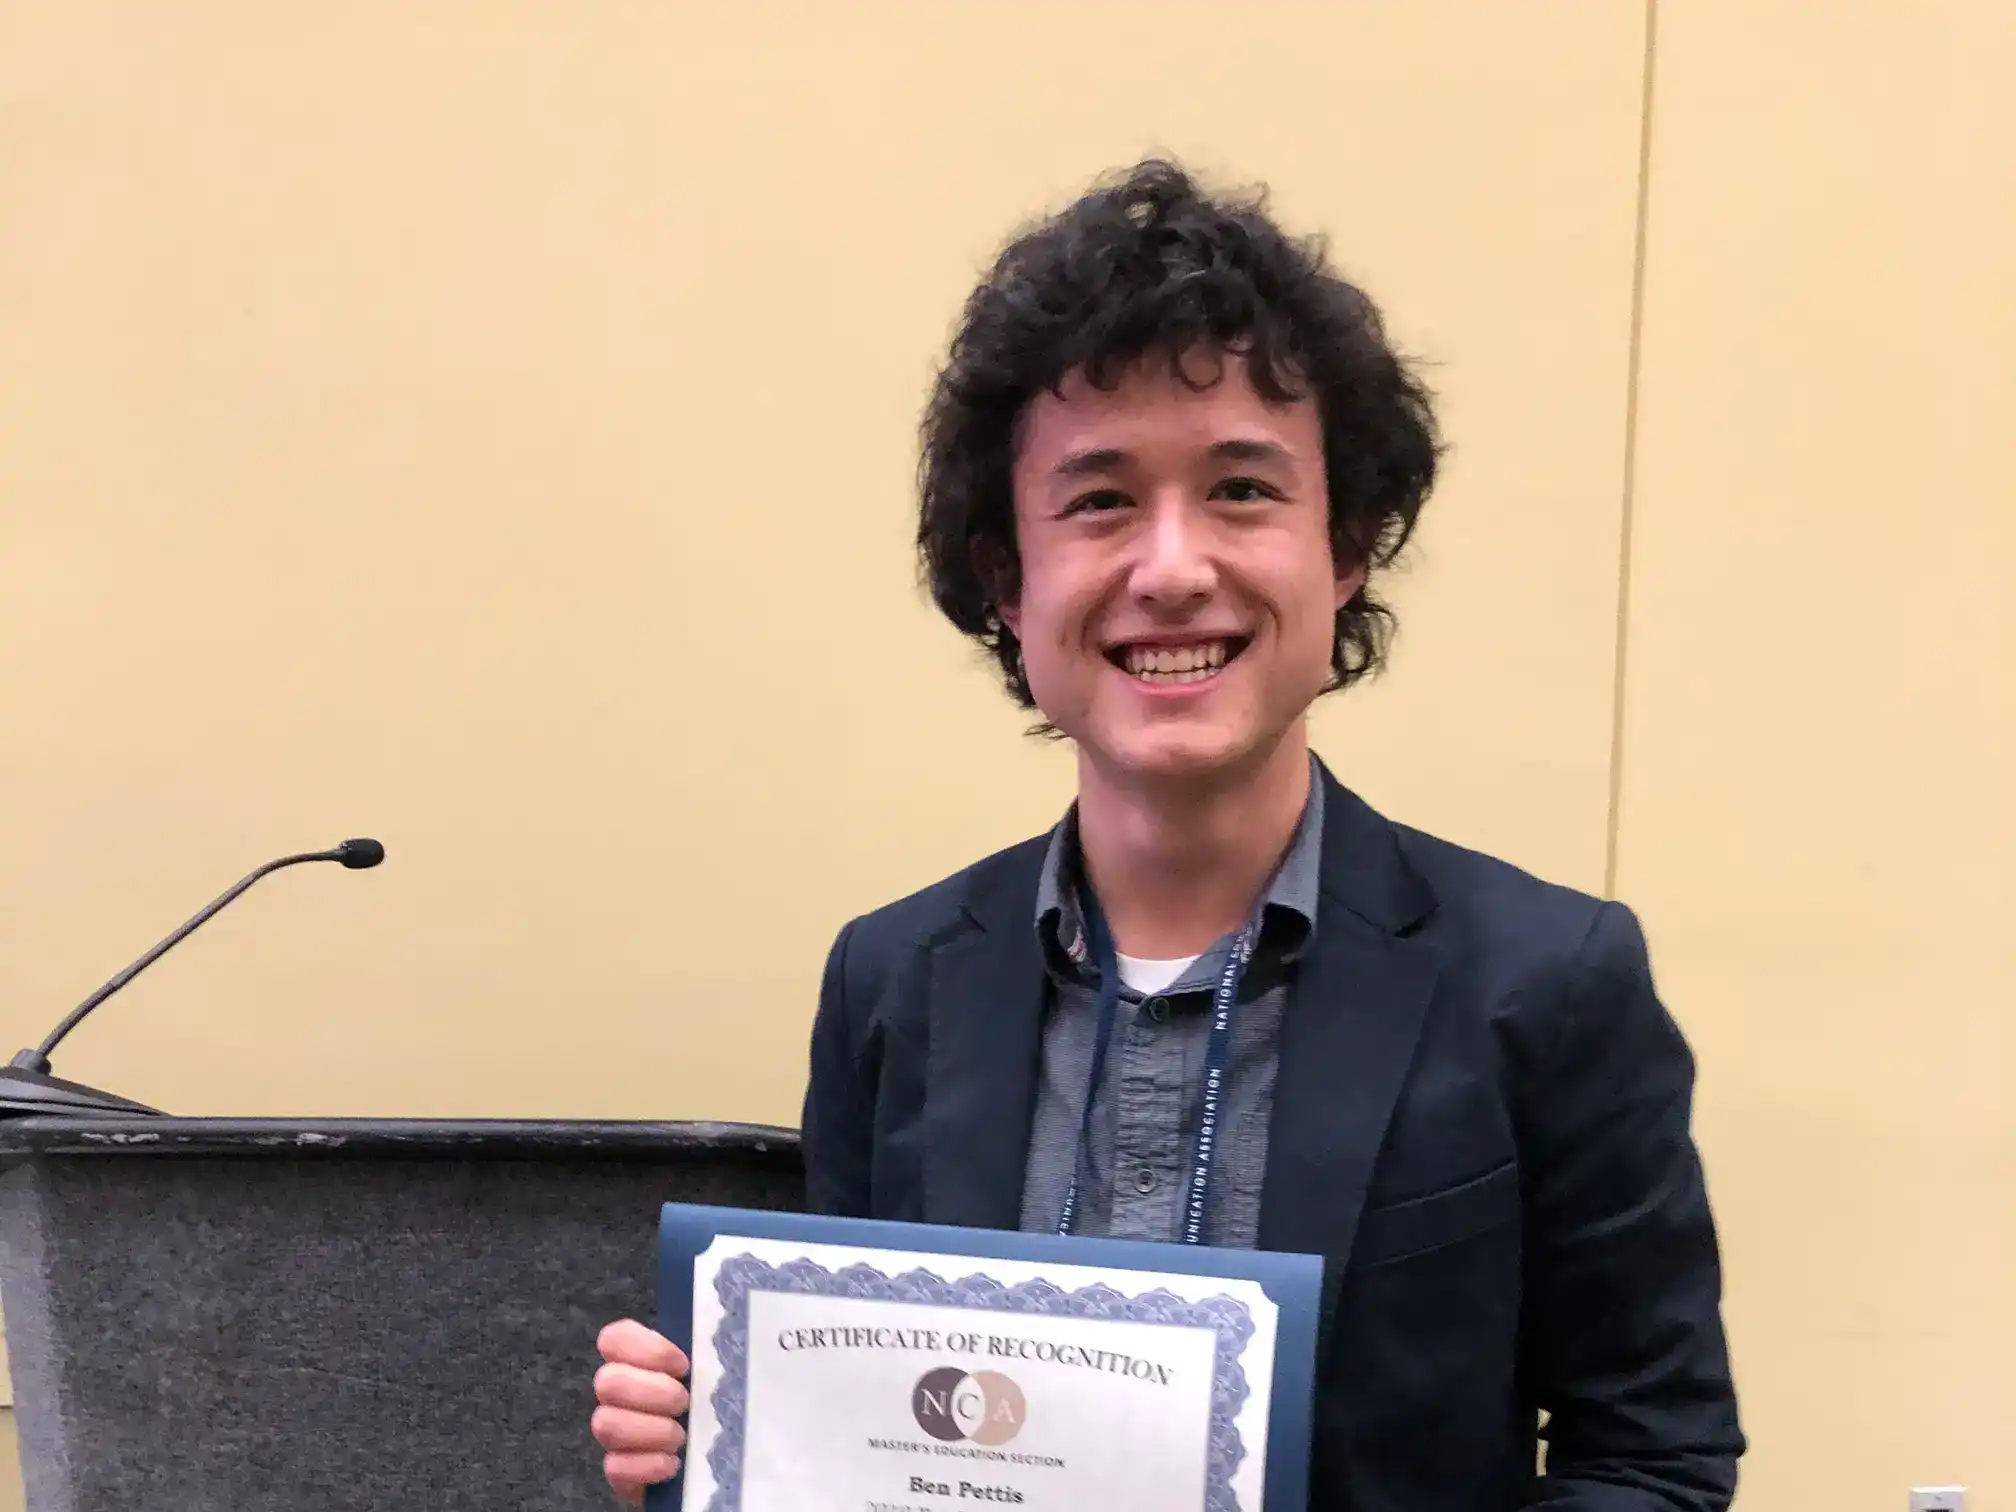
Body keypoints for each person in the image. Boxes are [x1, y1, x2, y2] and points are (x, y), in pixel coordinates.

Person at [590, 159, 1744, 1510]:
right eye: (1099, 501)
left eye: (1245, 490)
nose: (1175, 566)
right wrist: (728, 1441)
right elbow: (883, 1439)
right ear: (1007, 584)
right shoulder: (891, 981)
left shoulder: (1548, 979)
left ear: (1349, 548)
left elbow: (1650, 1460)